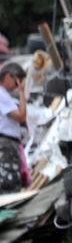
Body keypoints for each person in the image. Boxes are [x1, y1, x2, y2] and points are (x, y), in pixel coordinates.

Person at [0, 63, 27, 194]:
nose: (17, 86)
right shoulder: (1, 94)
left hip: (7, 143)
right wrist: (22, 92)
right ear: (7, 77)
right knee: (9, 185)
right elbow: (22, 116)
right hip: (5, 144)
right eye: (17, 81)